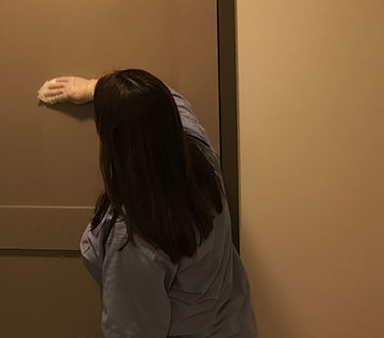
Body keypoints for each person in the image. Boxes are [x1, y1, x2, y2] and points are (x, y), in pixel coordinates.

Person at [38, 71, 257, 337]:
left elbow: (133, 331)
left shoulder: (135, 238)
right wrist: (93, 88)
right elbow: (166, 98)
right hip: (234, 326)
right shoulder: (200, 154)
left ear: (115, 141)